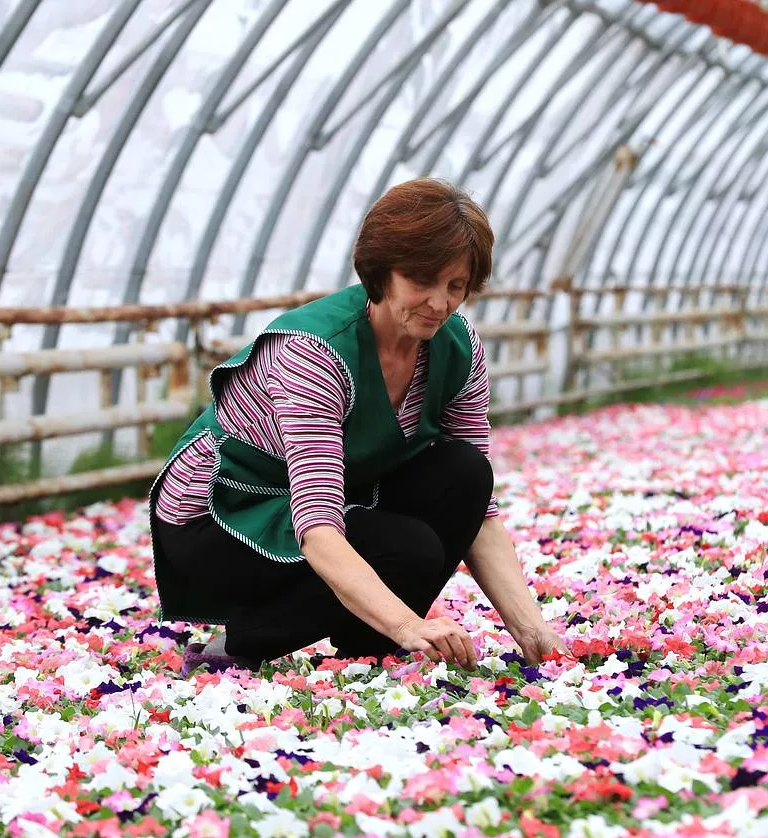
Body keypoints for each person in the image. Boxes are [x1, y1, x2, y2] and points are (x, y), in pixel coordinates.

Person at [148, 178, 567, 676]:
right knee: (407, 549)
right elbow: (319, 525)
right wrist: (412, 626)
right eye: (422, 280)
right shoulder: (315, 352)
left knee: (465, 474)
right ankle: (248, 638)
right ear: (381, 273)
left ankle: (366, 644)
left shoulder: (459, 347)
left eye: (455, 286)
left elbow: (478, 511)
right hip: (220, 515)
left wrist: (529, 626)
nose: (439, 303)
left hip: (320, 503)